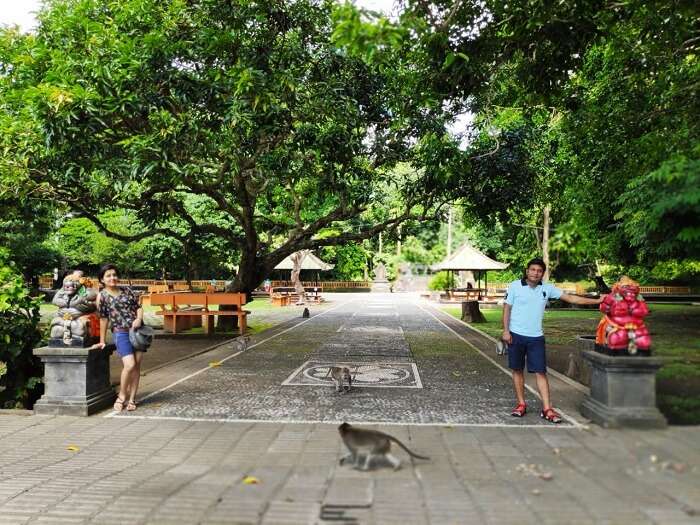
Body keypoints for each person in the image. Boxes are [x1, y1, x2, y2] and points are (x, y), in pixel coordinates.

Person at [501, 257, 604, 423]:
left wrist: (598, 300)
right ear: (527, 271)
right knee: (517, 369)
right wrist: (505, 331)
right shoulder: (514, 286)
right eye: (533, 269)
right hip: (516, 335)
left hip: (536, 337)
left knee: (541, 372)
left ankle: (547, 409)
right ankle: (521, 404)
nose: (535, 273)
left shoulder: (547, 289)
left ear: (542, 274)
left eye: (539, 271)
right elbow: (507, 308)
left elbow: (572, 299)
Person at [95, 263, 145, 412]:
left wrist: (139, 319)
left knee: (136, 366)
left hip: (137, 332)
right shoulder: (102, 296)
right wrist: (102, 340)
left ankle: (132, 399)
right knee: (129, 364)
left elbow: (139, 307)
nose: (112, 278)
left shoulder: (127, 290)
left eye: (114, 275)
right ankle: (122, 396)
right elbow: (103, 319)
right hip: (121, 332)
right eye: (108, 275)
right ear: (102, 279)